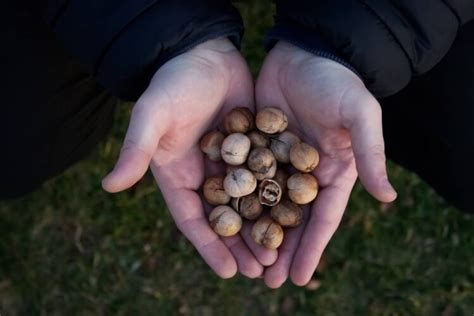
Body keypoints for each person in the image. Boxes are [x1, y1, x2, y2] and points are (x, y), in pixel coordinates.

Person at [2, 0, 473, 289]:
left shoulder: (260, 169)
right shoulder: (254, 166)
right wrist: (161, 35)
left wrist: (352, 41)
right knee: (15, 145)